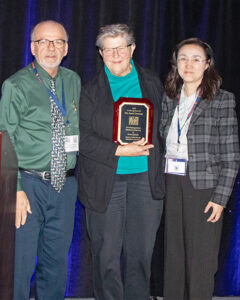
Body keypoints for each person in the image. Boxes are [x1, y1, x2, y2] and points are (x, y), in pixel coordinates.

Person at [77, 24, 165, 300]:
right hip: (106, 181)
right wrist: (118, 151)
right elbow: (82, 138)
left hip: (145, 180)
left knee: (141, 254)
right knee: (106, 256)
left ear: (132, 49)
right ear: (100, 53)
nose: (115, 54)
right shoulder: (90, 89)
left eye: (121, 47)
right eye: (108, 49)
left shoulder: (152, 82)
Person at [0, 20, 81, 300]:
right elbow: (4, 141)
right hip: (28, 186)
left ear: (66, 48)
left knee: (56, 263)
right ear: (33, 47)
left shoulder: (73, 80)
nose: (51, 47)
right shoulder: (15, 85)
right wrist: (17, 188)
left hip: (65, 185)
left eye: (57, 41)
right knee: (19, 265)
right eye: (44, 41)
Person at [160, 37, 240, 300]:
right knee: (174, 255)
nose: (189, 64)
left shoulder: (222, 100)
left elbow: (231, 155)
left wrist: (220, 198)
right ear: (176, 64)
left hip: (205, 186)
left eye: (196, 59)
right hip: (172, 181)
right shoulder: (169, 97)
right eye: (183, 58)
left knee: (201, 258)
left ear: (207, 64)